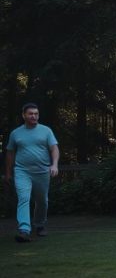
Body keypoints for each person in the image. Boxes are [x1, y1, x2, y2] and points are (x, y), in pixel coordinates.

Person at [4, 103, 59, 243]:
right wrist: (8, 173)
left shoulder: (46, 131)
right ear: (24, 115)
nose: (34, 116)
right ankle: (24, 230)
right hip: (22, 171)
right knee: (24, 198)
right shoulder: (16, 133)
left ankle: (39, 224)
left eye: (36, 113)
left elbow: (54, 149)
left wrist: (54, 164)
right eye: (30, 114)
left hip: (42, 172)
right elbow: (10, 153)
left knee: (42, 201)